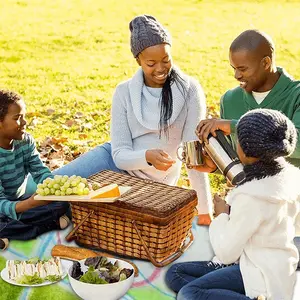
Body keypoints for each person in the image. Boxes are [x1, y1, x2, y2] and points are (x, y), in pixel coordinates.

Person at [36, 15, 213, 225]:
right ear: (138, 60)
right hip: (112, 162)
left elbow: (193, 156)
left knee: (90, 215)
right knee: (45, 189)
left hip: (150, 185)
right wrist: (146, 156)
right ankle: (14, 212)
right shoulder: (124, 92)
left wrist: (205, 211)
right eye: (151, 63)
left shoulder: (190, 90)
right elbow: (119, 155)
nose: (160, 68)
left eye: (166, 60)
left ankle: (60, 217)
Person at [165, 108, 300, 300]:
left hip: (259, 275)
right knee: (175, 273)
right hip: (276, 267)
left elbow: (226, 252)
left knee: (189, 292)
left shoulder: (251, 197)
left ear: (244, 149)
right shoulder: (292, 178)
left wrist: (222, 215)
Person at [194, 29, 300, 261]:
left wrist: (234, 126)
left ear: (266, 62)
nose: (236, 75)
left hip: (289, 209)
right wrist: (217, 164)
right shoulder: (230, 100)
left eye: (242, 69)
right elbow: (242, 161)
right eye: (233, 68)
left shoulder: (296, 95)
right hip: (248, 206)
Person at [0, 90, 70, 250]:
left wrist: (55, 190)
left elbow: (40, 172)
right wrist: (29, 205)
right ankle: (44, 225)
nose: (24, 122)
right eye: (17, 118)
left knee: (63, 203)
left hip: (19, 200)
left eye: (24, 116)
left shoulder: (25, 141)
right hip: (4, 207)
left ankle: (11, 232)